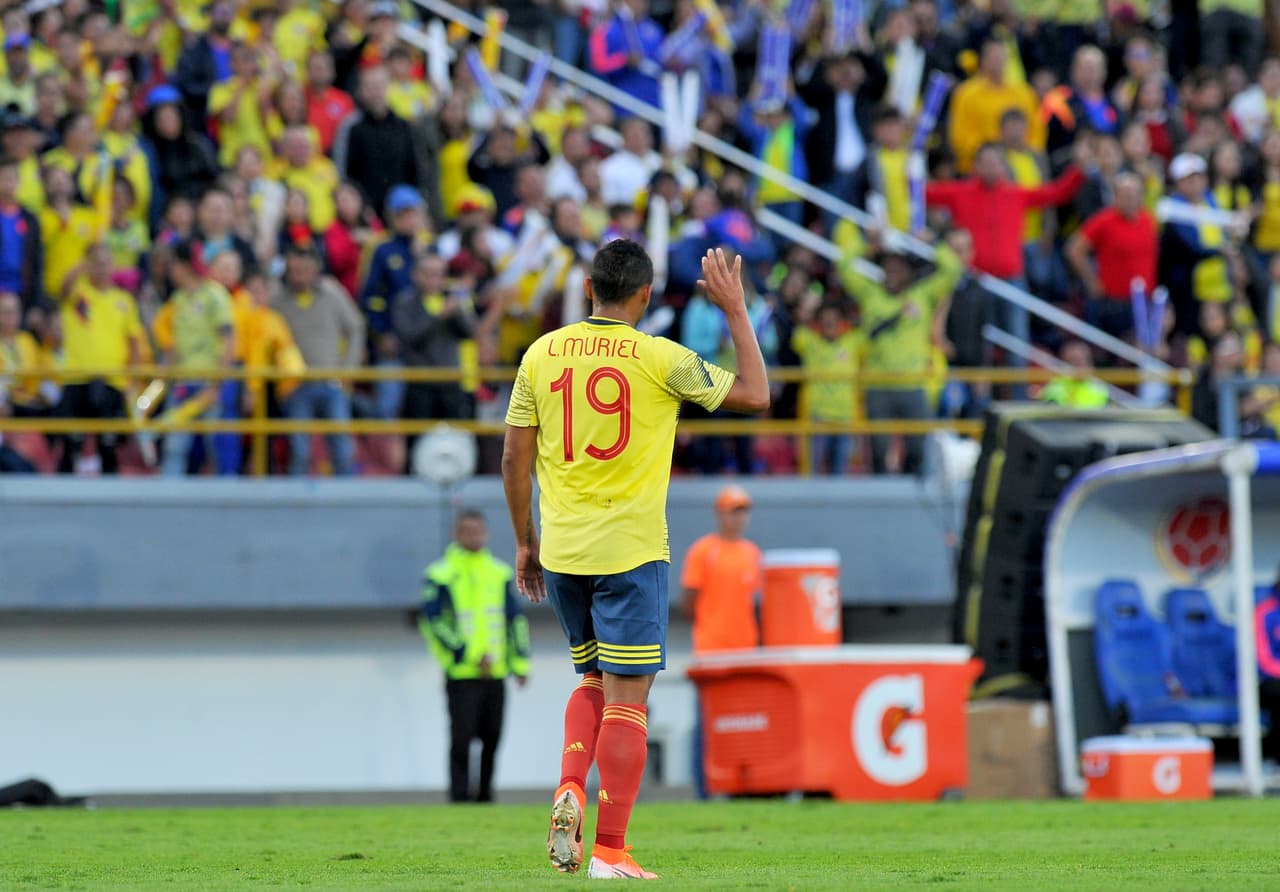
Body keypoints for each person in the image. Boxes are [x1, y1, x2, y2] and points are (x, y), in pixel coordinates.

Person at [502, 242, 769, 878]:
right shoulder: (660, 358)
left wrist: (524, 541)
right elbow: (757, 395)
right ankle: (610, 850)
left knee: (590, 681)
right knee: (629, 699)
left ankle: (570, 783)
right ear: (646, 296)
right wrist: (734, 309)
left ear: (590, 287)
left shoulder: (542, 353)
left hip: (563, 551)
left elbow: (514, 459)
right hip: (630, 550)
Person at [418, 508, 530, 804]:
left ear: (487, 534)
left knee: (492, 737)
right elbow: (433, 621)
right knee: (461, 739)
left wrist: (519, 664)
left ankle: (484, 796)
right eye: (467, 531)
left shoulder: (501, 572)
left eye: (478, 531)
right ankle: (458, 797)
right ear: (456, 534)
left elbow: (514, 621)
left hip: (496, 672)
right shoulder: (440, 574)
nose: (474, 536)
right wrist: (466, 654)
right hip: (462, 674)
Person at [679, 484, 762, 797]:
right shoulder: (704, 551)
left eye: (743, 511)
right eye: (733, 511)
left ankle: (741, 790)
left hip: (745, 653)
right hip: (711, 652)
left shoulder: (752, 553)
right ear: (720, 513)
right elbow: (689, 601)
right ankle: (704, 791)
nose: (739, 518)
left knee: (743, 724)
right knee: (707, 726)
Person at [270, 242, 363, 476]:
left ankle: (347, 497)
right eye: (294, 271)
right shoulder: (277, 301)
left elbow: (356, 328)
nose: (299, 276)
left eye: (304, 270)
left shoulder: (332, 293)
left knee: (341, 446)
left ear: (316, 270)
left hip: (331, 382)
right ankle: (296, 503)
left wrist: (347, 370)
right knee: (299, 450)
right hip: (295, 385)